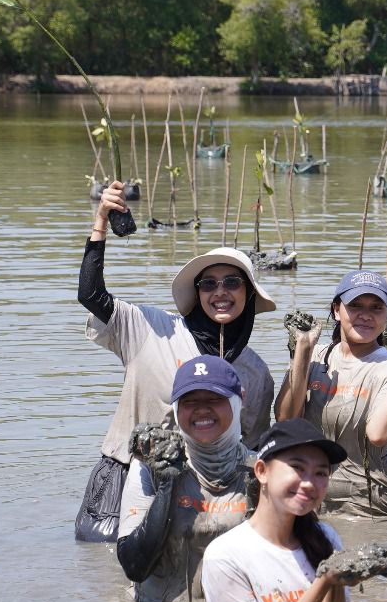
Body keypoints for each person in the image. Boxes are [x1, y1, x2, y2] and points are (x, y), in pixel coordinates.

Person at [74, 179, 276, 542]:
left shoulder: (256, 372)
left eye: (232, 282)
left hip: (202, 489)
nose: (220, 293)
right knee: (105, 576)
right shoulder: (152, 327)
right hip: (124, 477)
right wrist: (101, 219)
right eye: (208, 284)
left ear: (248, 293)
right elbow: (91, 295)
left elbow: (251, 449)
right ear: (196, 293)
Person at [275, 270, 387, 518]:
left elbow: (379, 435)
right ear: (337, 310)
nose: (365, 316)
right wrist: (302, 352)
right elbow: (286, 421)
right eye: (355, 306)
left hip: (370, 500)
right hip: (309, 493)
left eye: (376, 308)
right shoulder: (314, 355)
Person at [201, 419, 353, 602]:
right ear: (262, 471)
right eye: (297, 468)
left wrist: (336, 586)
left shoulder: (326, 537)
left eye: (321, 472)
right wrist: (324, 582)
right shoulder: (225, 555)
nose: (309, 483)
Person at [116, 355, 253, 602]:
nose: (202, 409)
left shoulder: (260, 470)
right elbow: (134, 566)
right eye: (189, 401)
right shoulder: (148, 466)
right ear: (177, 408)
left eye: (214, 399)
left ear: (238, 401)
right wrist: (168, 483)